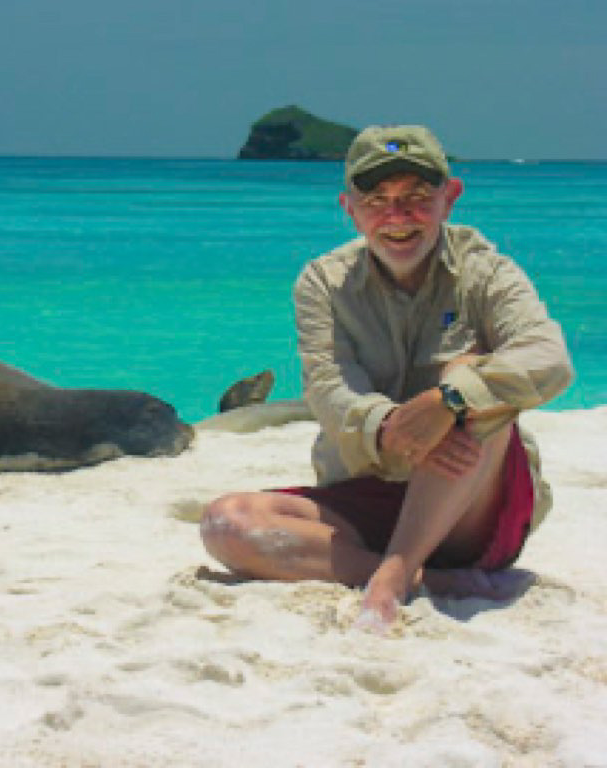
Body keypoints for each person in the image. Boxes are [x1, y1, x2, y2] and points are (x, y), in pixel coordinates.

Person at [200, 124, 574, 631]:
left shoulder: (487, 273)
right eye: (377, 199)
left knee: (468, 376)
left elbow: (549, 359)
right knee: (226, 524)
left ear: (450, 198)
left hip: (474, 510)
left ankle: (394, 575)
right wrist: (394, 425)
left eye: (417, 197)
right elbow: (329, 389)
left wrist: (447, 403)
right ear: (349, 208)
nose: (397, 216)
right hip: (370, 492)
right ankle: (418, 576)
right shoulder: (323, 281)